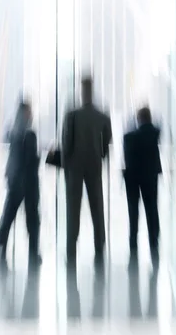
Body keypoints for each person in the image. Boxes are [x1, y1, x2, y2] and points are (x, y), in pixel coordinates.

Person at [61, 76, 112, 268]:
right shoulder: (101, 115)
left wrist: (66, 165)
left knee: (73, 209)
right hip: (94, 165)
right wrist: (101, 155)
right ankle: (99, 246)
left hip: (75, 168)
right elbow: (107, 140)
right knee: (97, 208)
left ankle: (71, 249)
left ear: (81, 91)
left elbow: (66, 142)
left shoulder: (72, 115)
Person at [0, 100, 41, 272]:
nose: (32, 114)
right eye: (30, 111)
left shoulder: (12, 132)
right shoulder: (30, 135)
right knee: (33, 221)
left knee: (7, 219)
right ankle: (33, 254)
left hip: (14, 182)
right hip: (28, 184)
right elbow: (31, 161)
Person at [123, 106, 161, 263]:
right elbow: (155, 129)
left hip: (133, 178)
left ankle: (133, 240)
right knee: (152, 208)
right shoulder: (154, 133)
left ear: (139, 118)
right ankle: (153, 239)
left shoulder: (130, 137)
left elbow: (129, 137)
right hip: (150, 176)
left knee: (133, 210)